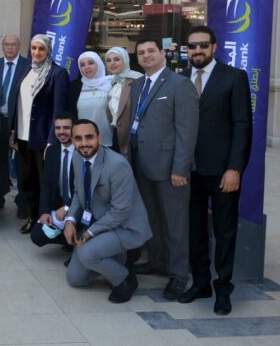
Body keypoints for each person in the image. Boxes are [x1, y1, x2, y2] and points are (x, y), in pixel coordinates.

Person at [177, 26, 252, 315]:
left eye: (203, 45)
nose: (197, 50)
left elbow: (242, 125)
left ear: (214, 47)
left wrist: (235, 169)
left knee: (224, 232)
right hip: (188, 171)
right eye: (192, 46)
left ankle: (223, 289)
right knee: (194, 231)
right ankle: (200, 284)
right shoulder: (180, 79)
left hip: (222, 173)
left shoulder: (234, 77)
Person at [129, 36, 199, 300]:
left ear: (162, 53)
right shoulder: (137, 84)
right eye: (141, 53)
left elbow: (187, 131)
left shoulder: (180, 84)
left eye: (151, 51)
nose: (146, 56)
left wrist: (180, 168)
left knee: (175, 223)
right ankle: (157, 261)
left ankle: (179, 275)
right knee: (152, 217)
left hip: (170, 168)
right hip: (141, 163)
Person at [63, 119, 152, 303]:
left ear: (100, 138)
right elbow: (79, 192)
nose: (84, 143)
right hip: (100, 223)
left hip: (126, 227)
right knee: (75, 279)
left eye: (89, 137)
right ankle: (116, 257)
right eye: (78, 138)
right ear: (73, 140)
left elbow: (120, 211)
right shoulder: (78, 157)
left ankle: (125, 279)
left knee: (87, 254)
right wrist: (70, 220)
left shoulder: (117, 165)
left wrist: (88, 233)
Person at [9, 34, 70, 233]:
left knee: (45, 182)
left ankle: (48, 221)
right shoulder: (27, 69)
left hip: (43, 139)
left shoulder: (57, 74)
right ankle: (33, 217)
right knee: (27, 181)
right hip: (22, 137)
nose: (36, 52)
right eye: (34, 48)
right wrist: (14, 131)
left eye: (41, 49)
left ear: (49, 50)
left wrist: (52, 140)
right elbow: (19, 103)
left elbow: (59, 110)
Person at [0, 34, 28, 210]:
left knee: (21, 163)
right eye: (6, 44)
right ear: (2, 46)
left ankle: (22, 202)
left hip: (18, 122)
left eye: (13, 44)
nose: (9, 47)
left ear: (19, 46)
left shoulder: (28, 66)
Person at [31, 113, 75, 250]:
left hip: (79, 206)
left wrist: (67, 207)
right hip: (59, 207)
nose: (62, 132)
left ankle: (76, 243)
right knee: (37, 236)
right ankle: (69, 241)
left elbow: (86, 189)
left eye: (66, 128)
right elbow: (46, 185)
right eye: (58, 128)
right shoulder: (51, 151)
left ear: (74, 129)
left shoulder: (82, 151)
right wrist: (45, 212)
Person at [69, 52, 113, 149]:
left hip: (109, 142)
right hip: (83, 143)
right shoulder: (74, 86)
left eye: (91, 63)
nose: (87, 67)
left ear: (99, 64)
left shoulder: (112, 83)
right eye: (82, 65)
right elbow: (71, 114)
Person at [104, 47, 142, 154]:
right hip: (116, 135)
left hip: (134, 138)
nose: (112, 63)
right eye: (108, 60)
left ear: (125, 60)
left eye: (117, 59)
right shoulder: (113, 82)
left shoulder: (138, 80)